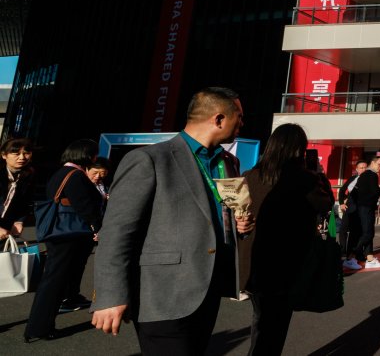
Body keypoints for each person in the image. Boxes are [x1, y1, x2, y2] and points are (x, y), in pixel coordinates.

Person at [92, 87, 254, 355]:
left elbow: (236, 211)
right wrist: (110, 296)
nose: (243, 123)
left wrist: (241, 226)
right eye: (239, 115)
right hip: (163, 293)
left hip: (209, 290)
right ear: (219, 119)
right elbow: (117, 232)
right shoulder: (149, 159)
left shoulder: (229, 162)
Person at [238, 124, 333, 355]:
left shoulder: (250, 175)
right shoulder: (305, 179)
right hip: (287, 264)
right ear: (298, 149)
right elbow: (326, 203)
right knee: (275, 327)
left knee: (261, 320)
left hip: (252, 262)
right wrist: (319, 173)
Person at [24, 139, 104, 341]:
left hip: (59, 234)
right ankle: (40, 328)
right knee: (54, 282)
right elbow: (84, 206)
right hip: (68, 235)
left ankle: (38, 326)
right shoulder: (76, 175)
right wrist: (98, 227)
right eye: (93, 154)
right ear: (85, 155)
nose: (95, 158)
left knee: (52, 281)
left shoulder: (61, 173)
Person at [352, 155, 380, 268]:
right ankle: (351, 255)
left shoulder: (364, 175)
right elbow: (374, 192)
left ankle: (370, 258)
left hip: (363, 207)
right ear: (372, 162)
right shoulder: (371, 175)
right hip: (366, 207)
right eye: (379, 164)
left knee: (368, 232)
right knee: (368, 233)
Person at [0, 138, 35, 242]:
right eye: (16, 153)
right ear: (4, 155)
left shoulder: (29, 174)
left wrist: (19, 221)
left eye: (26, 153)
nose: (22, 157)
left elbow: (26, 202)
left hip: (6, 225)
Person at [339, 160, 368, 269]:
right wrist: (341, 203)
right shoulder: (352, 179)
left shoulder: (368, 180)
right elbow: (342, 190)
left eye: (365, 167)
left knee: (354, 232)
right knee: (343, 230)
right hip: (349, 208)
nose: (363, 169)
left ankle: (351, 255)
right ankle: (342, 251)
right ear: (357, 169)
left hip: (360, 209)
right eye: (361, 167)